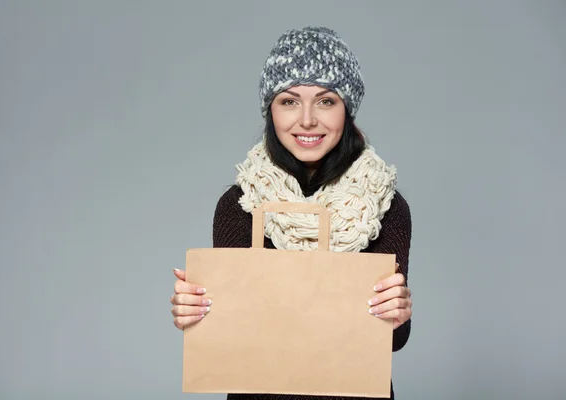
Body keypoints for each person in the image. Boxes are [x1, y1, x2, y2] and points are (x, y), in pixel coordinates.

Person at [170, 26, 413, 400]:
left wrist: (396, 313)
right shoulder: (240, 206)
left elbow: (391, 342)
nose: (307, 120)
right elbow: (236, 335)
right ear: (270, 109)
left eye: (326, 101)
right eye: (289, 101)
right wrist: (198, 313)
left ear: (347, 108)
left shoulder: (384, 206)